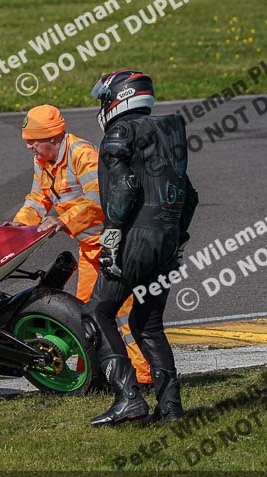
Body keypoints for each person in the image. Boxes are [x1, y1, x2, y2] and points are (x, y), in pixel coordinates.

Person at [7, 104, 152, 386]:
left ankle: (145, 378)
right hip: (89, 248)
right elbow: (38, 198)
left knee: (124, 315)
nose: (29, 147)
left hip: (113, 247)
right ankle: (96, 375)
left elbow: (99, 201)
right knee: (84, 315)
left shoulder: (82, 156)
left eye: (33, 140)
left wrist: (62, 221)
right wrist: (18, 226)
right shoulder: (45, 160)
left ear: (52, 138)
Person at [87, 70, 199, 427]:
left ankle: (128, 398)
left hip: (135, 239)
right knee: (147, 323)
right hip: (166, 240)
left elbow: (125, 187)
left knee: (98, 313)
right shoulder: (169, 133)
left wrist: (113, 236)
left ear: (118, 98)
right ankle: (170, 408)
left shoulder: (118, 134)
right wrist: (177, 236)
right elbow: (190, 196)